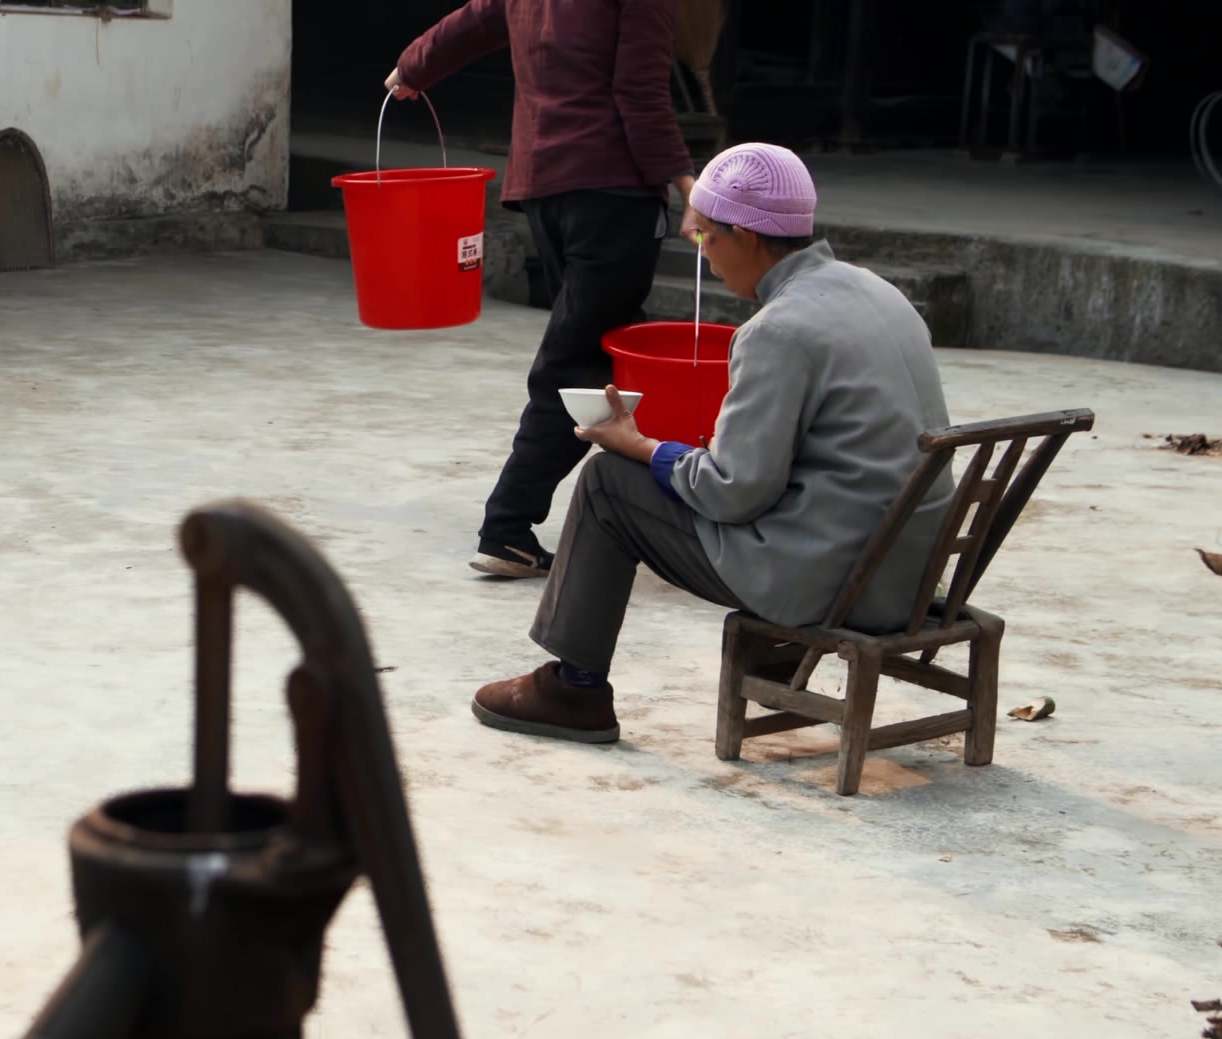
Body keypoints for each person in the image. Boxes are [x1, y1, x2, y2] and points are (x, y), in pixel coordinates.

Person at [469, 143, 955, 744]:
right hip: (909, 575)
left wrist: (639, 445)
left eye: (704, 240)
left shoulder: (778, 331)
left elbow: (734, 493)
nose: (705, 260)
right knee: (702, 469)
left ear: (745, 236)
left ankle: (575, 689)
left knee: (605, 484)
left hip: (832, 581)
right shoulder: (880, 294)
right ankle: (774, 666)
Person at [385, 0, 697, 580]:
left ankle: (679, 505)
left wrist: (412, 67)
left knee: (610, 353)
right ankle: (506, 526)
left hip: (547, 187)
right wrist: (687, 183)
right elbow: (640, 92)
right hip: (612, 190)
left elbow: (476, 19)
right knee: (579, 360)